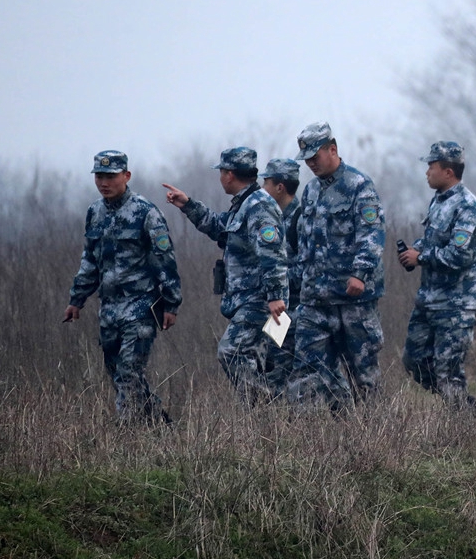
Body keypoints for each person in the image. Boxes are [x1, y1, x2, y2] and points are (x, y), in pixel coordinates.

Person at [161, 147, 288, 406]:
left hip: (260, 301)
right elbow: (221, 229)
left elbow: (272, 251)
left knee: (232, 351)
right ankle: (264, 422)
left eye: (221, 172)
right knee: (257, 361)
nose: (220, 178)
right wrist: (188, 205)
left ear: (229, 174)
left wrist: (275, 296)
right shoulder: (244, 204)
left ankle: (268, 407)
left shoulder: (259, 206)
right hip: (248, 300)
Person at [63, 150, 182, 425]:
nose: (104, 182)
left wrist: (172, 303)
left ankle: (128, 432)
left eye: (111, 176)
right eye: (99, 176)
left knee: (130, 367)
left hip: (140, 304)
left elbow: (165, 259)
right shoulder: (94, 212)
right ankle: (158, 424)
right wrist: (76, 299)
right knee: (117, 371)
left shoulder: (145, 212)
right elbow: (90, 260)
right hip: (110, 307)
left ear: (126, 176)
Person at [286, 121, 386, 410]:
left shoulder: (359, 186)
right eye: (306, 160)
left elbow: (372, 234)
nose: (311, 164)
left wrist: (360, 274)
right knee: (307, 368)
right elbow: (305, 241)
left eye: (315, 157)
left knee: (362, 375)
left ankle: (374, 436)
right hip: (316, 299)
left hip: (353, 298)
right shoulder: (310, 192)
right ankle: (313, 436)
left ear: (333, 149)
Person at [397, 141, 476, 411]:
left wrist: (421, 258)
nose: (427, 172)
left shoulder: (467, 206)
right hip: (429, 300)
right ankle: (461, 405)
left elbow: (461, 255)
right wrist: (415, 249)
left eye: (431, 167)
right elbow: (432, 239)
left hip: (456, 304)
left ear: (448, 172)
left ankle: (463, 423)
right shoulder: (438, 201)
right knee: (413, 360)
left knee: (448, 370)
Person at [259, 158, 302, 396]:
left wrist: (277, 282)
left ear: (280, 187)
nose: (262, 189)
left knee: (289, 369)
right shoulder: (271, 217)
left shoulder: (300, 219)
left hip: (295, 309)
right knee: (273, 367)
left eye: (266, 182)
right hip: (279, 312)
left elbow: (308, 267)